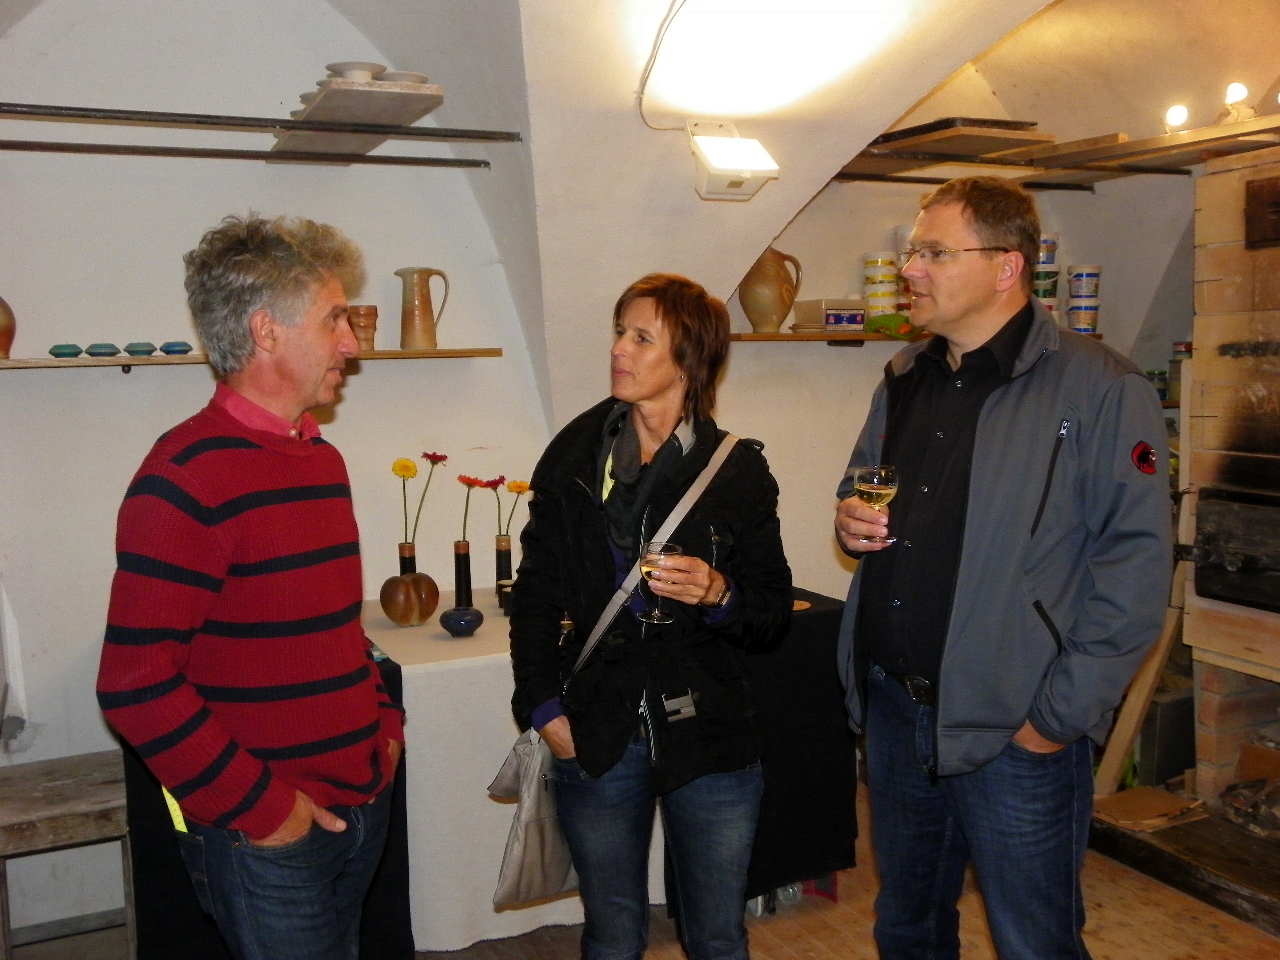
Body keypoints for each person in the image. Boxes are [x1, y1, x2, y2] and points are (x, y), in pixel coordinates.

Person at [834, 177, 1171, 959]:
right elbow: (861, 484)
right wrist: (850, 516)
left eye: (933, 252)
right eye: (912, 252)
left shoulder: (1102, 387)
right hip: (897, 714)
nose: (911, 270)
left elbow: (1136, 567)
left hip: (1012, 729)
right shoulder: (905, 376)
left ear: (1006, 266)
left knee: (1034, 943)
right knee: (907, 928)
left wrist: (1052, 722)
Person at [96, 214, 403, 960]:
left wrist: (385, 729)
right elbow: (135, 684)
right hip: (269, 837)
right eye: (334, 320)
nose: (352, 344)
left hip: (361, 800)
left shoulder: (319, 459)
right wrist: (266, 810)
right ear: (266, 331)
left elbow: (337, 628)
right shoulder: (184, 479)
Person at [510, 273, 792, 960]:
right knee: (612, 935)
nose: (619, 349)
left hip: (710, 729)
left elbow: (770, 613)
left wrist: (718, 593)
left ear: (689, 360)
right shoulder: (573, 457)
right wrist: (542, 705)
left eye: (642, 338)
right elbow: (536, 591)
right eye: (620, 332)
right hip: (595, 724)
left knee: (717, 936)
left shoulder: (736, 472)